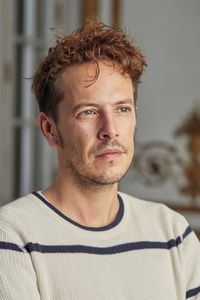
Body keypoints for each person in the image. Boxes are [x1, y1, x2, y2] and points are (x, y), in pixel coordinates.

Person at [0, 21, 200, 300]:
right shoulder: (12, 236)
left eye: (122, 109)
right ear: (50, 129)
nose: (111, 129)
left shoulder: (173, 232)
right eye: (88, 112)